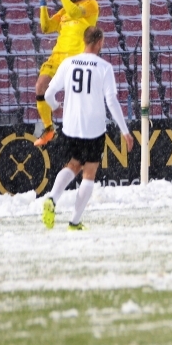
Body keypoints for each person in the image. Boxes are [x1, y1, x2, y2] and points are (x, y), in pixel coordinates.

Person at [41, 27, 133, 230]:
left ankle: (52, 199)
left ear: (84, 41)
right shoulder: (104, 67)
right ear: (99, 42)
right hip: (93, 128)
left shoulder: (68, 63)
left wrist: (56, 107)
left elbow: (48, 94)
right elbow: (111, 101)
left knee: (72, 165)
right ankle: (74, 222)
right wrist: (125, 130)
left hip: (71, 126)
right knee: (89, 173)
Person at [34, 0, 100, 147]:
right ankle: (49, 129)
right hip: (58, 56)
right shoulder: (63, 10)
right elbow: (46, 27)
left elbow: (75, 12)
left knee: (76, 100)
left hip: (76, 59)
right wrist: (43, 3)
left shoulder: (91, 4)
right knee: (40, 86)